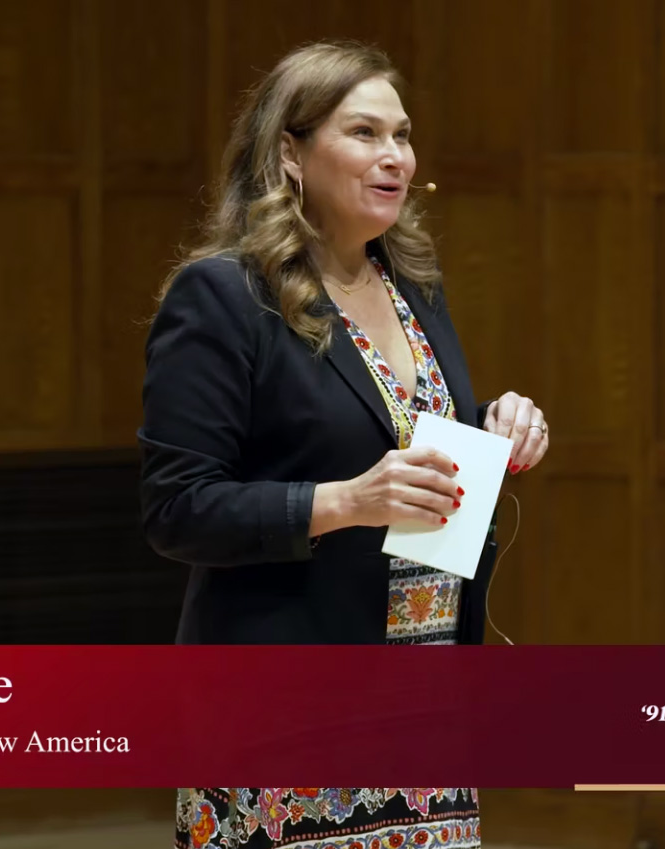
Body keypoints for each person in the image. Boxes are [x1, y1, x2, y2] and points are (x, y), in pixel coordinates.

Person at [139, 40, 548, 849]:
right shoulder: (223, 295)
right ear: (289, 153)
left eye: (401, 135)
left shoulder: (413, 288)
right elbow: (176, 507)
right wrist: (347, 502)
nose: (394, 155)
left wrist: (496, 427)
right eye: (364, 133)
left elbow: (401, 439)